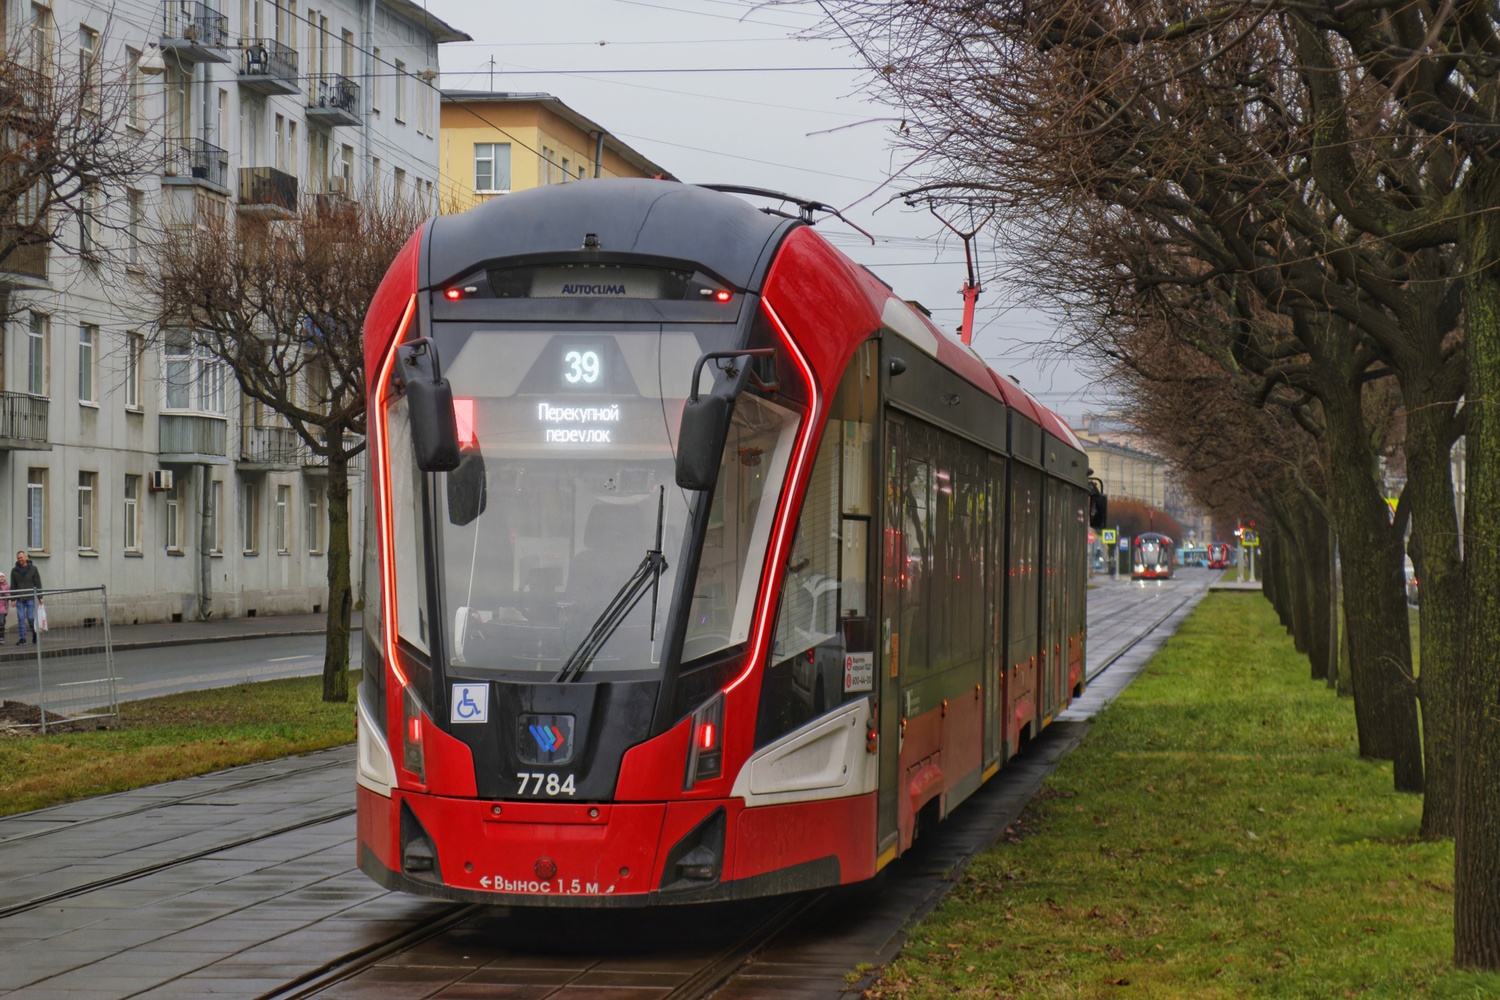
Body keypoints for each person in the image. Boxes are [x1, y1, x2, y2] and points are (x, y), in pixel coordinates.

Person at [11, 550, 41, 645]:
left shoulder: (33, 569)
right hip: (19, 598)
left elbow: (37, 583)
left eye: (21, 557)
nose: (20, 559)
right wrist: (13, 599)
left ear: (25, 557)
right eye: (18, 558)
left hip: (29, 597)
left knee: (31, 617)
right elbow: (13, 585)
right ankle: (22, 638)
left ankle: (35, 633)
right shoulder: (14, 570)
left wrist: (40, 597)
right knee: (20, 618)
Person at [0, 571, 8, 644]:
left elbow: (8, 595)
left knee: (2, 623)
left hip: (2, 608)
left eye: (3, 577)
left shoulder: (6, 586)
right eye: (0, 577)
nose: (1, 578)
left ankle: (1, 637)